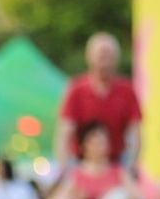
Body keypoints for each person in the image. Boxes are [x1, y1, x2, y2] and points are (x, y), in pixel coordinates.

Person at [58, 33, 143, 171]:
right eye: (100, 55)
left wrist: (131, 165)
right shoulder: (77, 89)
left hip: (116, 162)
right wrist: (66, 168)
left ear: (116, 59)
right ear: (89, 57)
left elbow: (135, 134)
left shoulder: (127, 91)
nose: (104, 61)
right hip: (81, 163)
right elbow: (64, 134)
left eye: (108, 55)